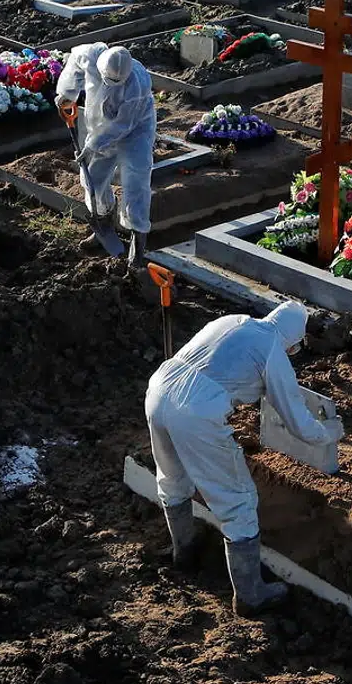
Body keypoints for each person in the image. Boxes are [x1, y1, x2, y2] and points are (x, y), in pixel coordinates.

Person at [144, 301, 329, 618]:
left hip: (159, 389)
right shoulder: (272, 349)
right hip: (196, 410)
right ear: (293, 338)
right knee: (238, 502)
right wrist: (326, 435)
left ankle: (184, 552)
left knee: (172, 478)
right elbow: (296, 419)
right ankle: (250, 595)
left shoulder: (233, 320)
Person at [56, 43, 156, 266]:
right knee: (93, 178)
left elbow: (123, 125)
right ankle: (103, 222)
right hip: (100, 127)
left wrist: (92, 146)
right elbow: (74, 62)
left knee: (136, 180)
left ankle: (137, 241)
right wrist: (67, 93)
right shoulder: (91, 56)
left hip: (136, 131)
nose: (112, 85)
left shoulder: (138, 84)